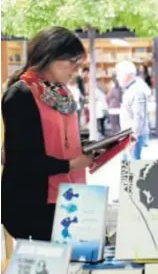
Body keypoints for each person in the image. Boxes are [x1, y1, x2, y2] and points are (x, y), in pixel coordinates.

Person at [1, 26, 93, 241]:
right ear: (49, 56)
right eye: (72, 63)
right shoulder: (22, 93)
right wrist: (71, 165)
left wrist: (92, 149)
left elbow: (63, 140)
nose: (75, 70)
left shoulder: (60, 92)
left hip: (67, 197)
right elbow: (22, 159)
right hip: (35, 204)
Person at [116, 61, 150, 160]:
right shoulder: (131, 88)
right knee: (128, 164)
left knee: (132, 164)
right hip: (129, 135)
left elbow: (139, 116)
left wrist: (134, 137)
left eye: (119, 74)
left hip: (134, 136)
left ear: (128, 75)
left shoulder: (137, 90)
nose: (117, 78)